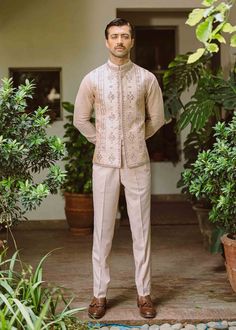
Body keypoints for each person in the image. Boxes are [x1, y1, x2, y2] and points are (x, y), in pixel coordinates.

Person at [74, 18, 165, 319]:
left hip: (137, 161)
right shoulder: (93, 79)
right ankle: (99, 295)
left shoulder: (146, 79)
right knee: (102, 232)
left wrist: (136, 138)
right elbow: (80, 119)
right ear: (106, 41)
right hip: (104, 163)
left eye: (125, 36)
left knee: (142, 230)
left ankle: (144, 294)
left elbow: (157, 119)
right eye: (114, 36)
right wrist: (101, 140)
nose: (119, 42)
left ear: (132, 41)